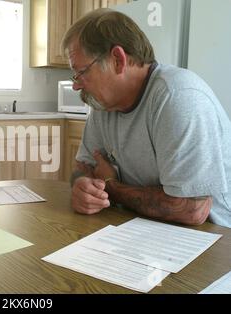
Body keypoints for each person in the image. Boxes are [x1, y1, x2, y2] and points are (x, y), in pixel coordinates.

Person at [63, 9, 231, 228]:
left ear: (117, 60)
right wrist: (81, 185)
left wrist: (111, 186)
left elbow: (192, 210)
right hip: (139, 227)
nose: (76, 84)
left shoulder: (178, 97)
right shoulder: (103, 107)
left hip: (213, 238)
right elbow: (82, 167)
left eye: (81, 72)